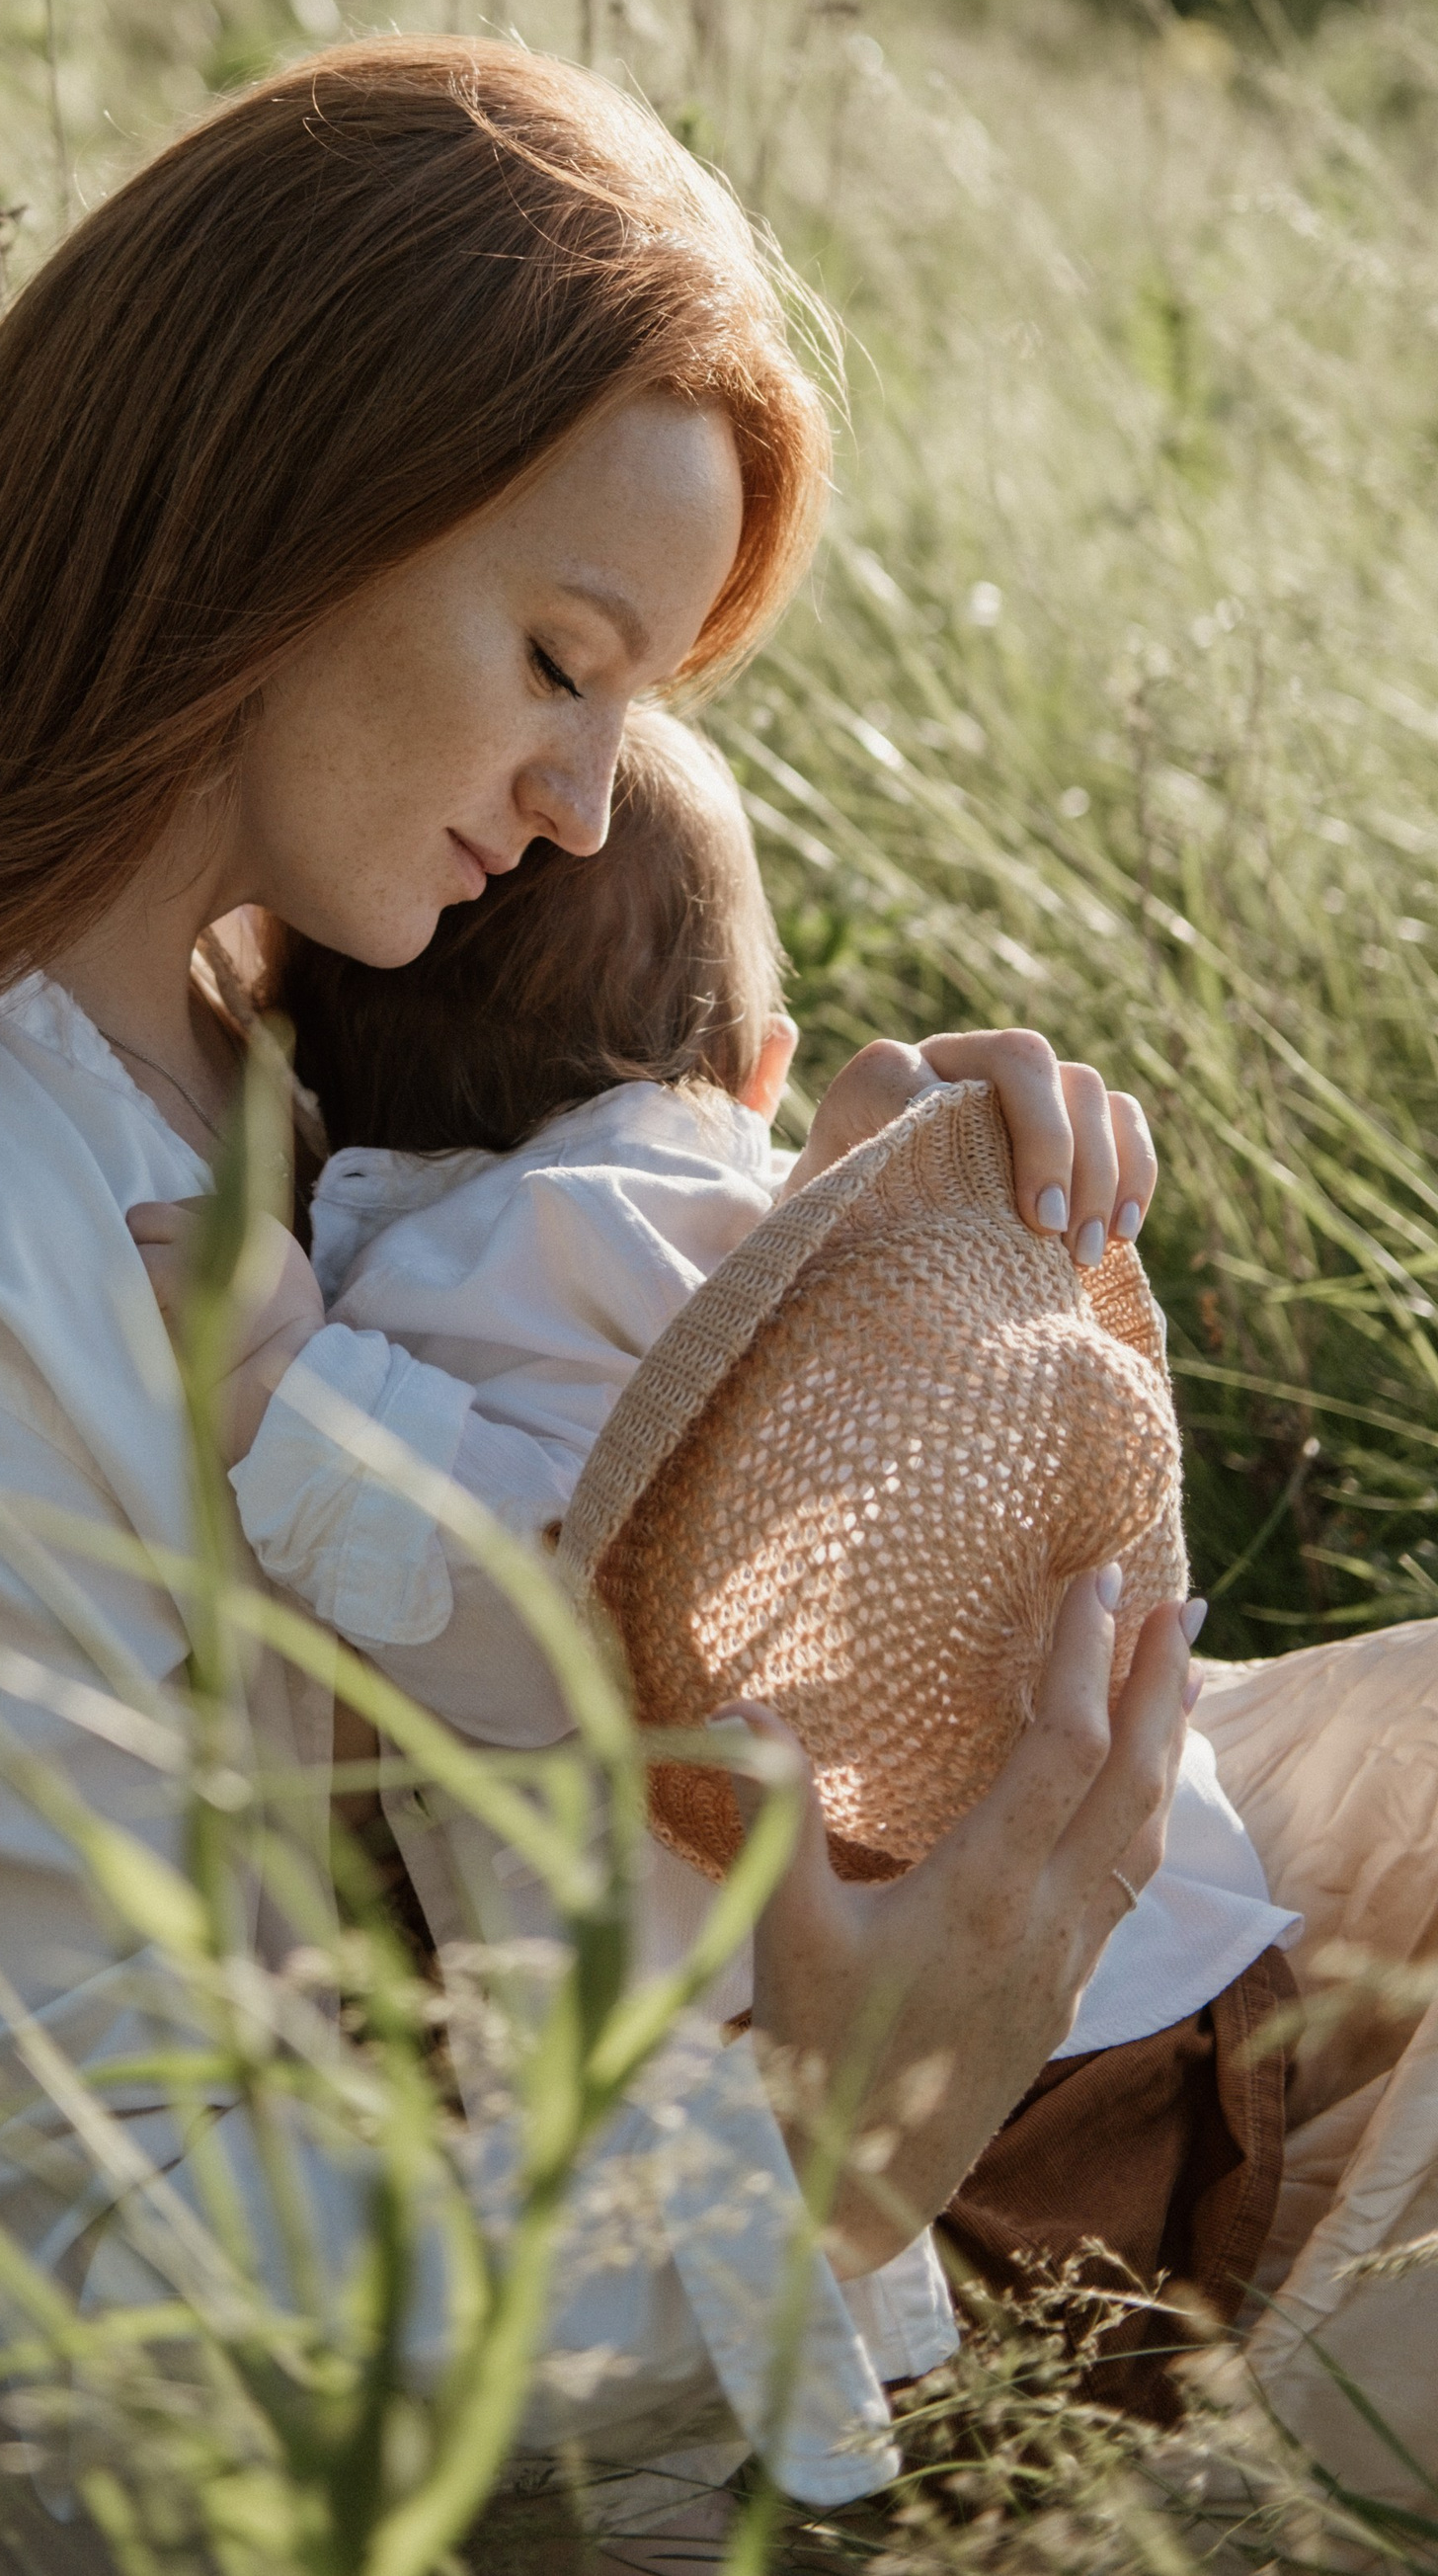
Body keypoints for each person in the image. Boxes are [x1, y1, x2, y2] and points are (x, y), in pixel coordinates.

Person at [0, 37, 1433, 2559]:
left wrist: (831, 1242)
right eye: (555, 655)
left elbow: (541, 1516)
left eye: (632, 702)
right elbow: (29, 2317)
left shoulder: (231, 1031)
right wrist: (821, 2155)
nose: (586, 797)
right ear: (275, 522)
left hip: (700, 2134)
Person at [278, 704, 1304, 2417]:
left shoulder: (449, 1280)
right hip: (1141, 2011)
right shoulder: (680, 1225)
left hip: (946, 2107)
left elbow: (546, 1618)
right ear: (761, 1066)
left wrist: (279, 1404)